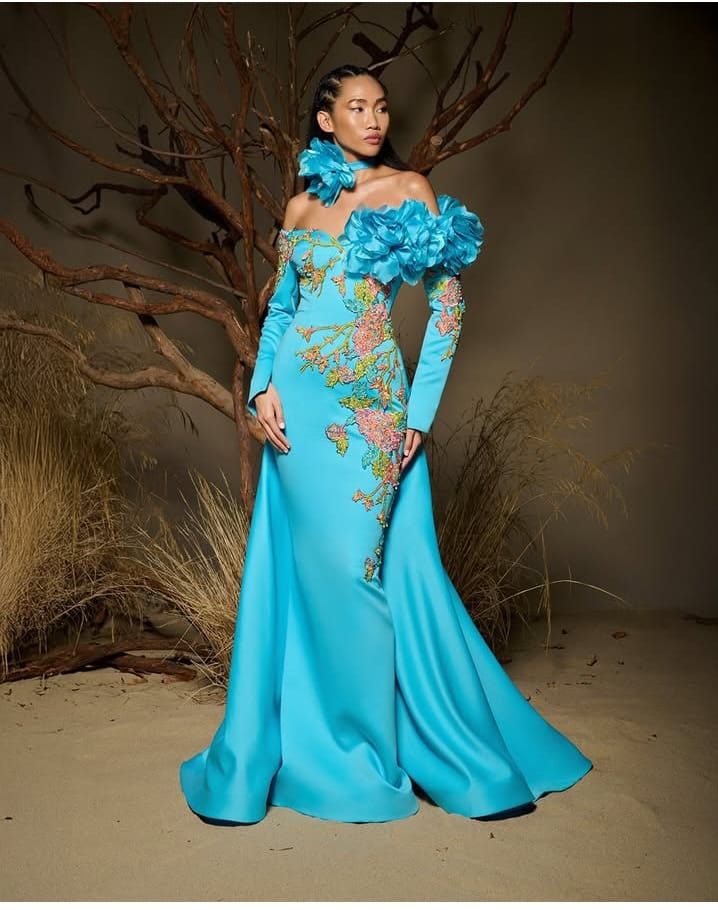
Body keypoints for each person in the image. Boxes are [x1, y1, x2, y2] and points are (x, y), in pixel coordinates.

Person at [179, 63, 592, 824]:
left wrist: (418, 415)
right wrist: (261, 388)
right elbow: (282, 310)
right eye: (357, 107)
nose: (373, 120)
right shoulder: (301, 205)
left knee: (352, 570)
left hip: (370, 410)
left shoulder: (409, 191)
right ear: (326, 120)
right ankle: (318, 744)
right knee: (308, 575)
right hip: (296, 411)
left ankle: (365, 749)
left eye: (381, 107)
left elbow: (447, 309)